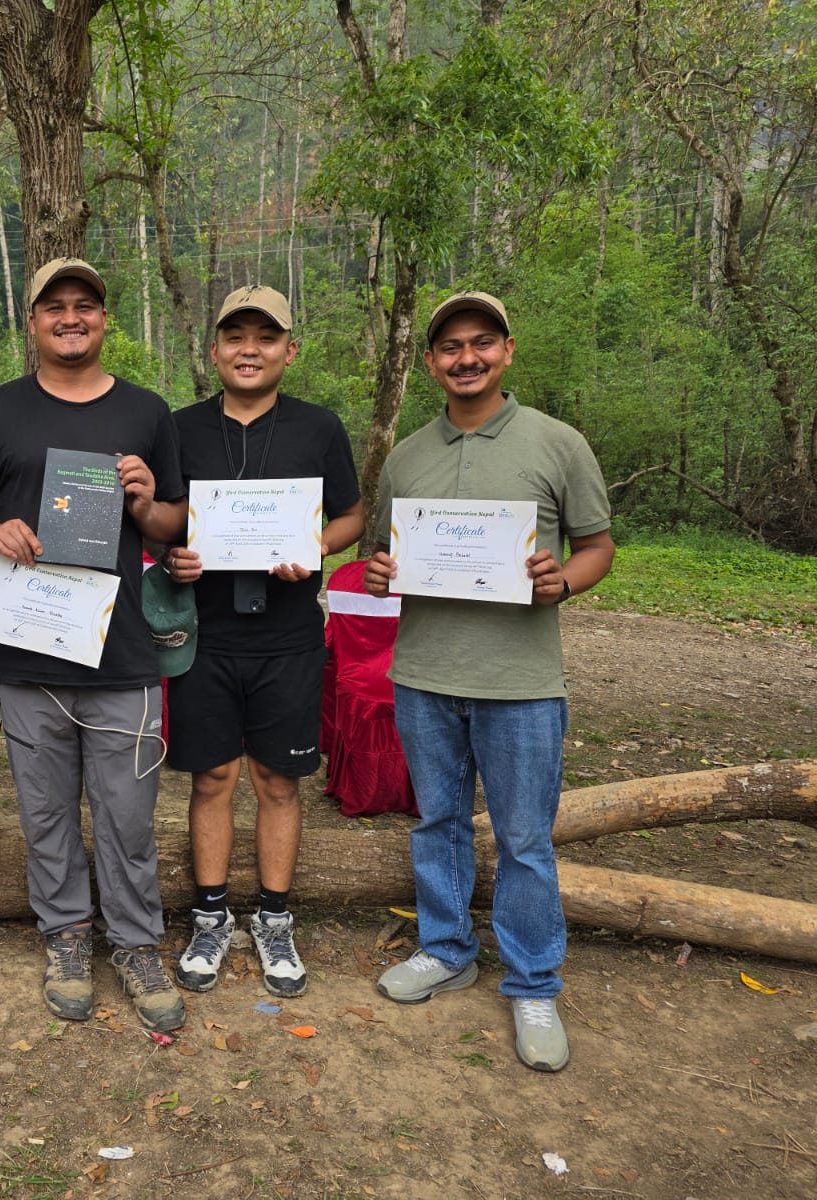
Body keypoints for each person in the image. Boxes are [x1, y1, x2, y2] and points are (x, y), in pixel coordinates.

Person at [363, 291, 614, 1072]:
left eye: (481, 343)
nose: (465, 358)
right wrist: (378, 575)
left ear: (507, 349)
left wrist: (561, 582)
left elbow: (597, 547)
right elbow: (382, 556)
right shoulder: (406, 454)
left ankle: (534, 980)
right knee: (436, 822)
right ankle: (445, 948)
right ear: (431, 361)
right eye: (449, 347)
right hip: (425, 674)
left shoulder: (557, 443)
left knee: (526, 840)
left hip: (523, 680)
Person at [0, 257, 188, 1033]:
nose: (70, 317)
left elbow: (170, 526)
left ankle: (136, 942)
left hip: (124, 655)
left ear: (104, 319)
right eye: (54, 306)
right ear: (32, 322)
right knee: (48, 812)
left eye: (86, 304)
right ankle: (66, 936)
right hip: (28, 651)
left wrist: (149, 501)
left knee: (127, 816)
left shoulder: (148, 412)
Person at [162, 285, 364, 999]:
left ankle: (274, 919)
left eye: (266, 337)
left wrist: (314, 548)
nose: (250, 348)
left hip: (288, 635)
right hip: (204, 635)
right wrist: (175, 554)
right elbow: (163, 523)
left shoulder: (319, 428)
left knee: (278, 781)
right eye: (236, 336)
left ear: (289, 350)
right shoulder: (179, 428)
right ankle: (211, 916)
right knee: (212, 777)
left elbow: (351, 517)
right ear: (213, 350)